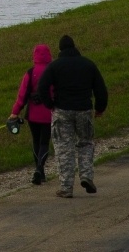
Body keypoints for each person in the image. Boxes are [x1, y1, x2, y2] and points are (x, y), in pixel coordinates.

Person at [35, 34, 108, 198]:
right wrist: (100, 108)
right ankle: (86, 176)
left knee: (64, 148)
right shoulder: (88, 64)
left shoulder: (54, 66)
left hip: (62, 111)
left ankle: (66, 187)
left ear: (60, 49)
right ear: (75, 47)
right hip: (84, 110)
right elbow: (101, 89)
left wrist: (50, 104)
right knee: (86, 143)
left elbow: (42, 87)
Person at [8, 44, 55, 184]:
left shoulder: (30, 72)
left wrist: (15, 112)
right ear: (49, 55)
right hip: (49, 113)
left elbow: (22, 95)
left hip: (33, 113)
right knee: (44, 142)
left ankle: (39, 170)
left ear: (34, 56)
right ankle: (40, 169)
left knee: (36, 141)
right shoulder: (53, 71)